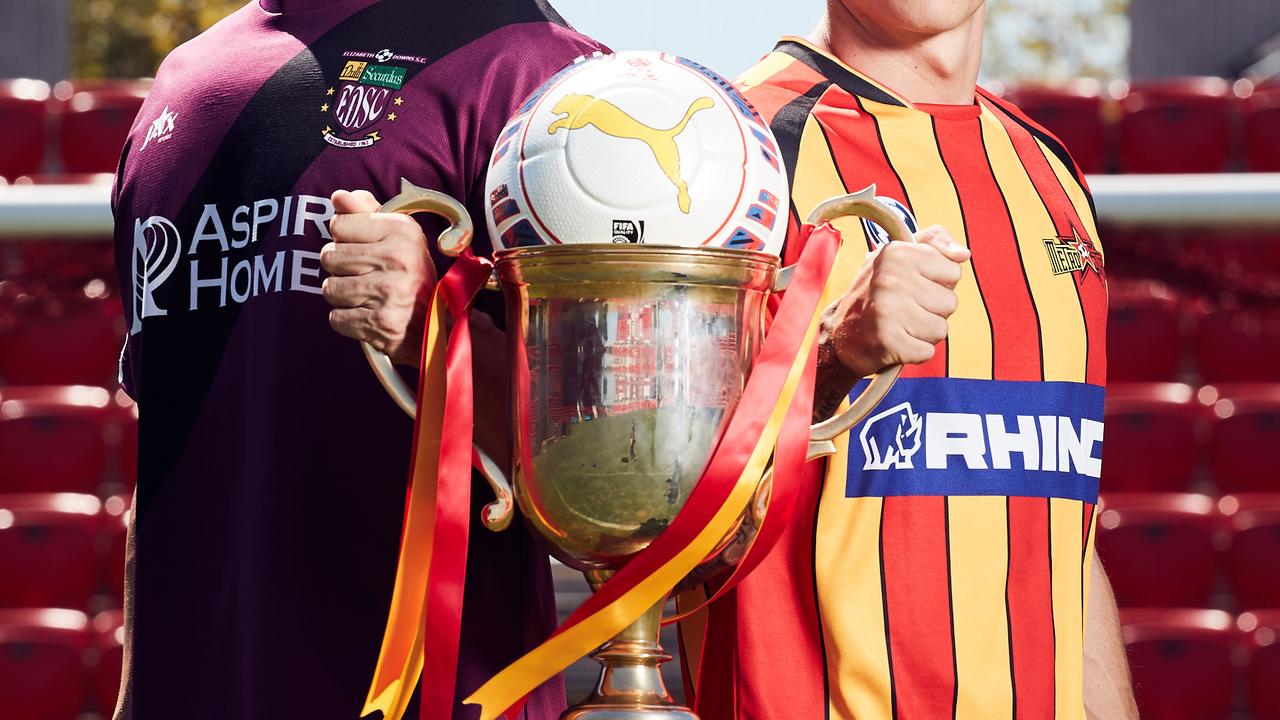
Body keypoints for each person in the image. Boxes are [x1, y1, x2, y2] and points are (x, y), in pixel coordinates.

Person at [110, 1, 602, 717]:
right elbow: (161, 449)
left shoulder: (535, 67)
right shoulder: (181, 82)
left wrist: (439, 335)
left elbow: (616, 469)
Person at [676, 2, 1139, 718]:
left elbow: (1059, 529)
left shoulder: (1049, 172)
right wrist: (831, 356)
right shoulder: (733, 150)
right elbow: (666, 528)